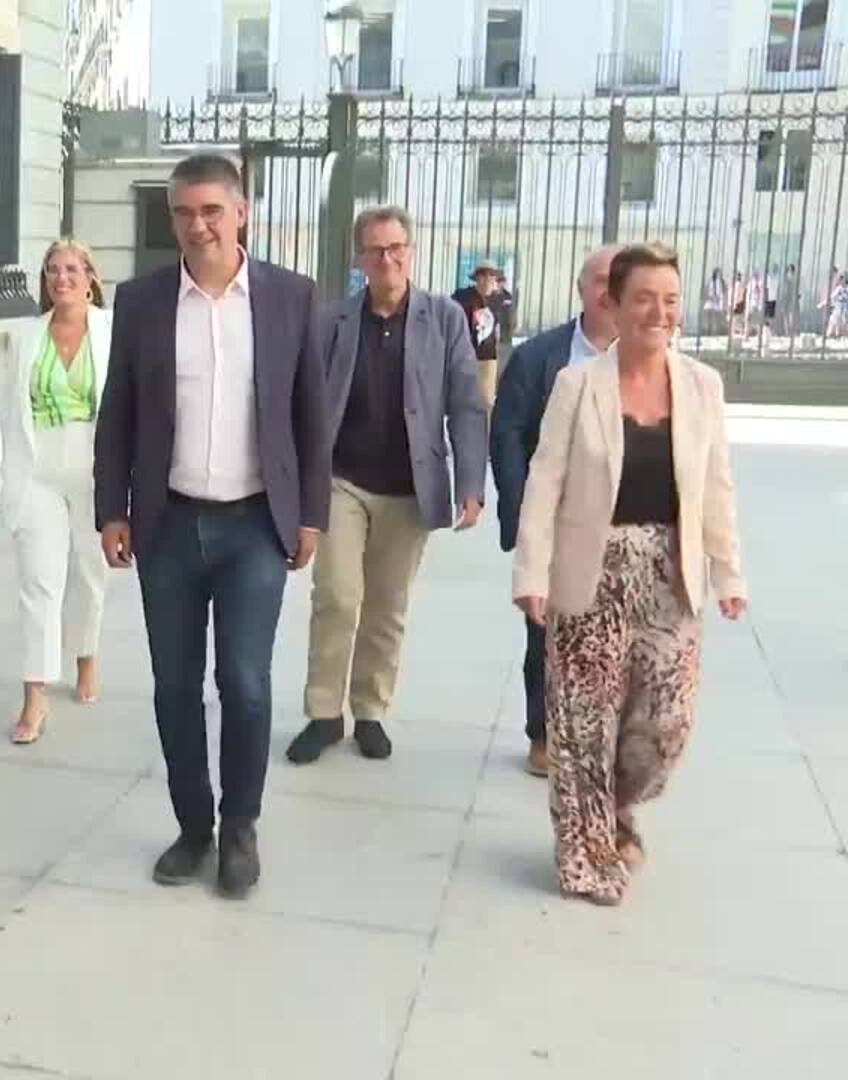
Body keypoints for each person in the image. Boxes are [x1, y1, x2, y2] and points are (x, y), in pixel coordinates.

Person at [94, 153, 328, 899]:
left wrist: (311, 513)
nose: (197, 226)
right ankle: (194, 826)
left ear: (241, 213)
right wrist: (112, 508)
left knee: (245, 683)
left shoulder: (290, 297)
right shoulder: (143, 301)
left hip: (254, 524)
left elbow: (311, 414)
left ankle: (240, 828)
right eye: (183, 213)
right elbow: (118, 413)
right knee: (173, 686)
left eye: (211, 211)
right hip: (167, 524)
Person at [512, 243, 747, 906]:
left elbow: (716, 487)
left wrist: (729, 573)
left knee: (666, 725)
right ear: (613, 305)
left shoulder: (701, 386)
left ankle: (613, 808)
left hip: (670, 574)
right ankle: (587, 854)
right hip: (593, 569)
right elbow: (545, 480)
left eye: (669, 299)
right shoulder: (578, 384)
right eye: (643, 298)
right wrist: (531, 571)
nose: (658, 312)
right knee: (584, 724)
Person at [285, 206, 487, 766]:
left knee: (387, 605)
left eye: (396, 248)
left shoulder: (444, 319)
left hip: (408, 486)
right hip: (341, 481)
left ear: (411, 252)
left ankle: (370, 709)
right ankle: (324, 713)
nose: (387, 259)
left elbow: (467, 404)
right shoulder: (332, 322)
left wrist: (471, 483)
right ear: (359, 259)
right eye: (375, 250)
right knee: (337, 596)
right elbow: (304, 404)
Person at [492, 244, 621, 778]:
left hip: (622, 524)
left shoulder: (649, 360)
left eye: (620, 280)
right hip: (555, 523)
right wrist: (521, 515)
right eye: (600, 280)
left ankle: (602, 736)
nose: (609, 291)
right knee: (545, 635)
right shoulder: (539, 358)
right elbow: (507, 436)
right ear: (581, 289)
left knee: (615, 639)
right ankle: (543, 734)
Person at [0, 238, 114, 745]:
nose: (61, 278)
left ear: (89, 278)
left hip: (94, 466)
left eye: (71, 269)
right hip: (37, 467)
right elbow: (8, 410)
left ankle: (86, 654)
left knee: (89, 572)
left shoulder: (112, 331)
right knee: (39, 582)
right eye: (52, 270)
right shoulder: (25, 335)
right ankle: (35, 694)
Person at [451, 262, 503, 409]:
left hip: (488, 357)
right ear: (477, 279)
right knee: (464, 399)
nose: (488, 281)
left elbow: (498, 325)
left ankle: (484, 422)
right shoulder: (464, 297)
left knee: (486, 401)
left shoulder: (497, 300)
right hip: (466, 354)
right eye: (484, 277)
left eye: (492, 277)